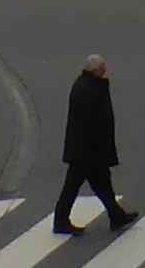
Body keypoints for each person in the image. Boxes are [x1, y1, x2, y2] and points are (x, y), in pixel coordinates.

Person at [54, 55, 134, 234]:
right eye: (103, 68)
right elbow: (92, 122)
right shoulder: (87, 89)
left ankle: (116, 216)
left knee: (102, 184)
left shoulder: (87, 85)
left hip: (87, 150)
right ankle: (60, 221)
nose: (105, 71)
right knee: (74, 186)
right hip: (87, 151)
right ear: (95, 70)